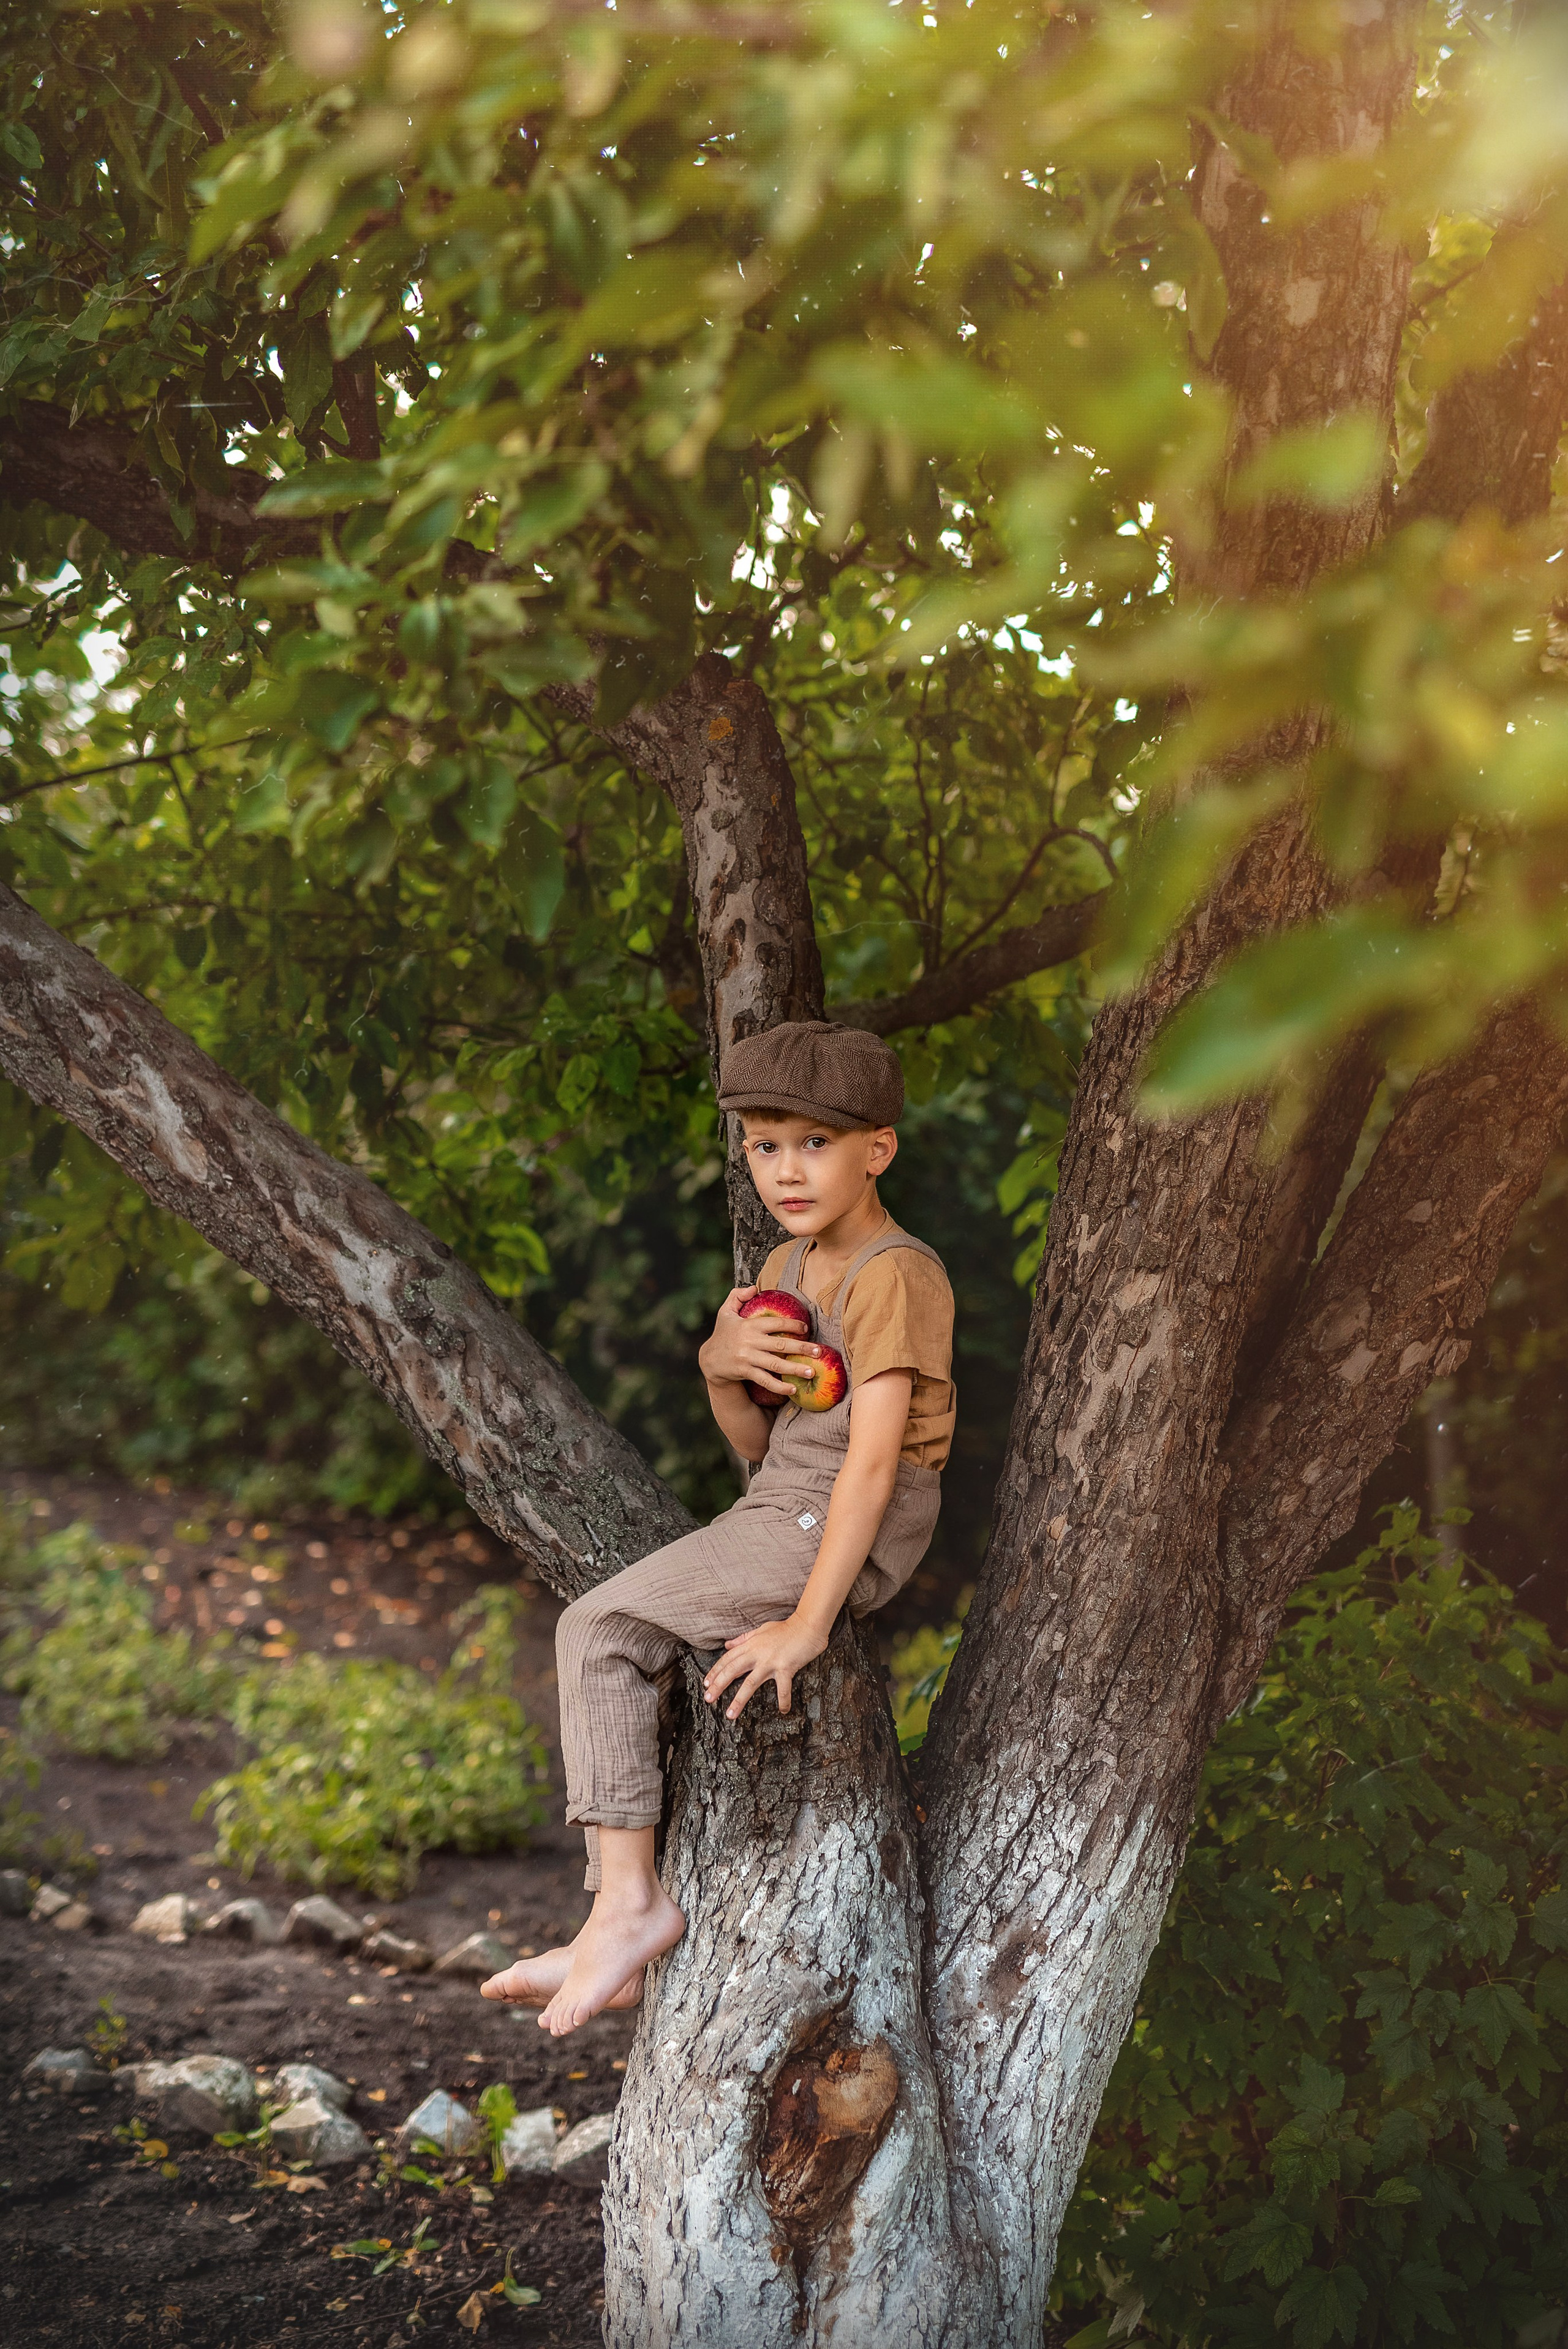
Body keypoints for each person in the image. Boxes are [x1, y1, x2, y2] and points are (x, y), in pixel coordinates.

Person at [480, 1019, 957, 2036]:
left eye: (815, 1144)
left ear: (878, 1149)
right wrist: (718, 1361)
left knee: (598, 1629)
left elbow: (872, 1462)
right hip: (786, 1490)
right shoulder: (789, 1265)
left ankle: (629, 1908)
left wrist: (809, 1624)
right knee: (620, 1632)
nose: (786, 1169)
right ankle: (618, 1908)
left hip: (843, 1511)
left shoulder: (894, 1274)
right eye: (764, 1144)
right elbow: (756, 1436)